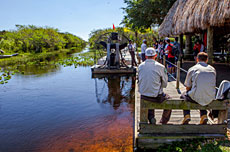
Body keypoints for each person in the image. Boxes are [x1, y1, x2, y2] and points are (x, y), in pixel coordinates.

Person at [181, 52, 216, 125]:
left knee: (184, 96)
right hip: (210, 96)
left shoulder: (193, 69)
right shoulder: (212, 69)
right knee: (202, 94)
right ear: (207, 60)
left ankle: (187, 115)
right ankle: (203, 115)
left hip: (197, 95)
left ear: (197, 59)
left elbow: (187, 86)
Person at [138, 47, 171, 124]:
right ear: (155, 55)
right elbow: (165, 84)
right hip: (156, 96)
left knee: (149, 94)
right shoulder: (160, 67)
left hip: (143, 94)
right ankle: (163, 120)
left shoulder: (140, 66)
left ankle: (151, 117)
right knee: (169, 99)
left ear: (145, 56)